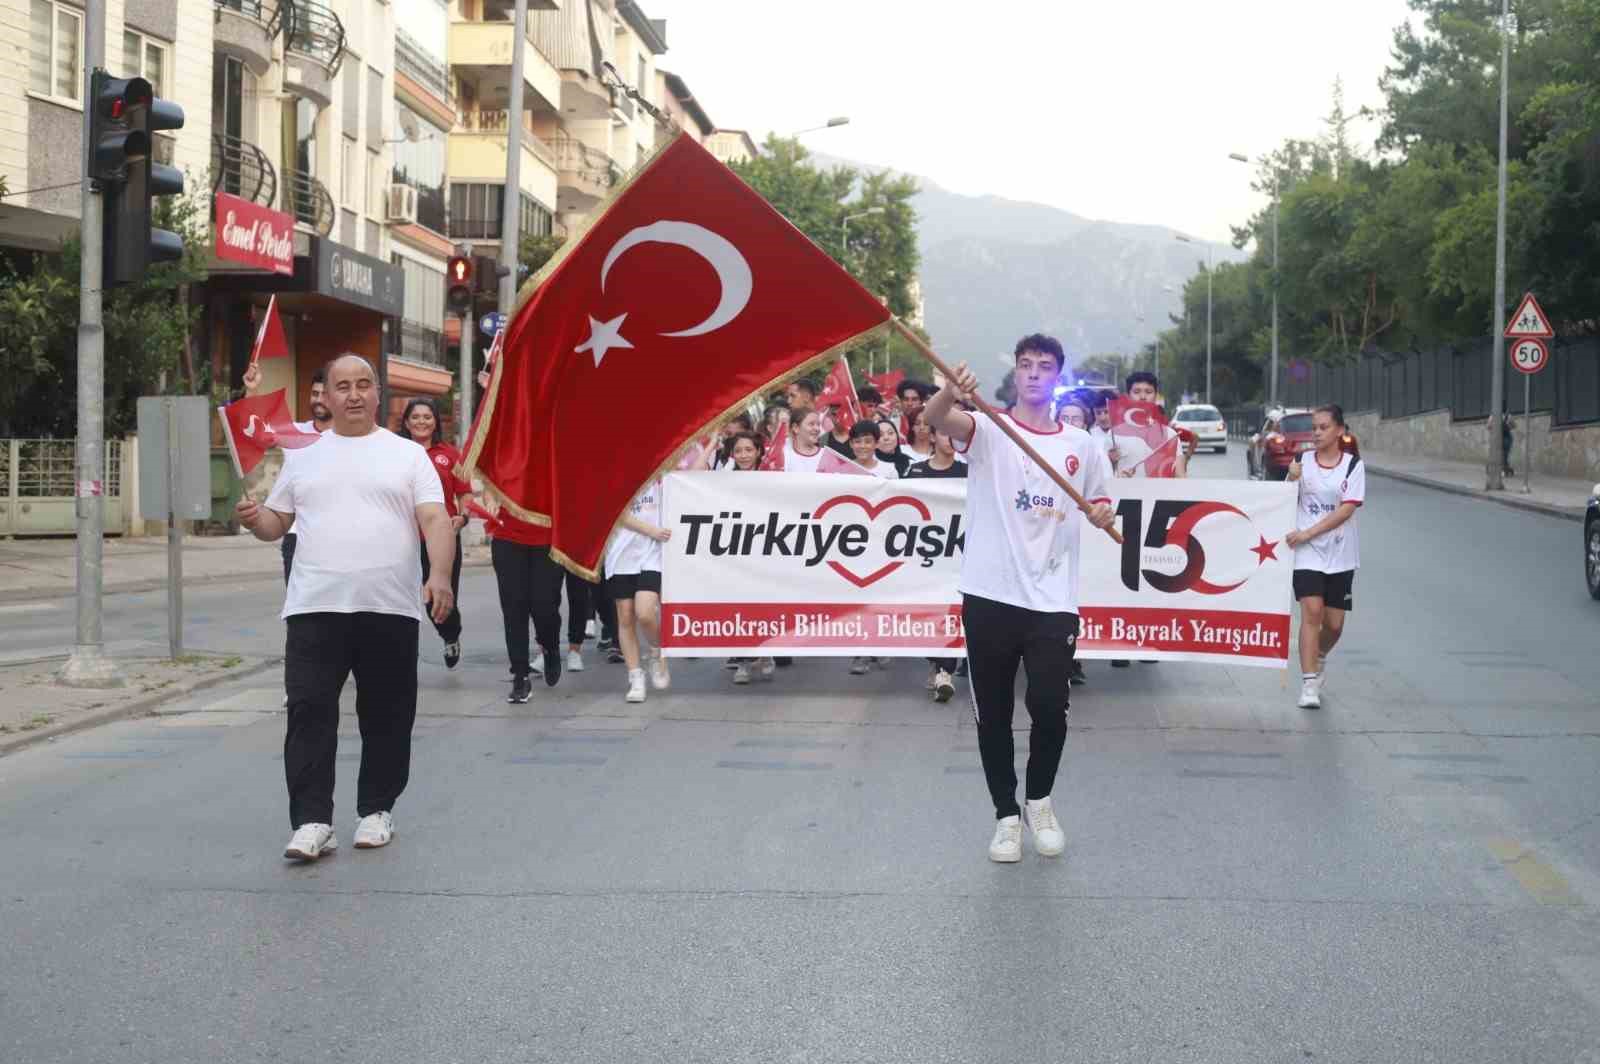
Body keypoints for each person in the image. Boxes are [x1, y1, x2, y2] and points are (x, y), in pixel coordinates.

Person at [235, 354, 455, 862]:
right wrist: (254, 517)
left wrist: (439, 574)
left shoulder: (406, 455)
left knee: (387, 714)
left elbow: (435, 519)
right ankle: (312, 821)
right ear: (326, 397)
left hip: (389, 608)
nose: (353, 394)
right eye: (342, 386)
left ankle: (376, 809)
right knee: (309, 710)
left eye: (363, 385)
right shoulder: (303, 455)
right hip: (314, 606)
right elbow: (276, 524)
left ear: (378, 394)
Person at [925, 334, 1115, 864]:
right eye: (1026, 365)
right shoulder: (989, 428)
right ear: (1015, 372)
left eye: (1045, 366)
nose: (1034, 373)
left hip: (1052, 597)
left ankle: (1040, 801)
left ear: (1058, 375)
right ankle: (1006, 816)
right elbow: (942, 420)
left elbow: (1102, 502)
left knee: (1051, 704)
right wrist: (949, 392)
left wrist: (1103, 514)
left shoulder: (1081, 445)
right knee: (994, 711)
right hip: (989, 592)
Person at [1285, 403, 1365, 710]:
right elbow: (1284, 499)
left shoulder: (1353, 465)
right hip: (1306, 553)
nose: (1317, 433)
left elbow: (1346, 509)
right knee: (1312, 612)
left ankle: (1319, 656)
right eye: (1314, 428)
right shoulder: (1301, 462)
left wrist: (1310, 532)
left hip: (1341, 553)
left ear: (1340, 431)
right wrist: (1291, 479)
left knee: (1333, 625)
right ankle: (1308, 683)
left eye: (1323, 427)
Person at [401, 397, 472, 669]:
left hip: (440, 539)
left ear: (435, 422)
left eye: (427, 417)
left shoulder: (450, 455)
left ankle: (450, 635)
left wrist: (462, 517)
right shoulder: (397, 453)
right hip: (404, 539)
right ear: (406, 422)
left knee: (439, 599)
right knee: (404, 597)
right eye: (415, 417)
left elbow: (465, 493)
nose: (421, 421)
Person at [243, 364, 331, 583]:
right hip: (297, 538)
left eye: (325, 394)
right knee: (299, 611)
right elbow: (253, 428)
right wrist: (252, 390)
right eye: (314, 394)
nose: (318, 399)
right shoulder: (294, 432)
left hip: (334, 540)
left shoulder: (350, 438)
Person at [905, 425, 968, 702]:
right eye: (945, 434)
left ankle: (945, 671)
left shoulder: (968, 473)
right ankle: (935, 660)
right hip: (925, 557)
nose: (951, 440)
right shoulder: (915, 472)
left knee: (953, 612)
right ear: (931, 437)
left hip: (959, 555)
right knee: (929, 612)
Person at [488, 504, 566, 703]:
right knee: (514, 607)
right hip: (508, 534)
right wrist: (491, 498)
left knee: (545, 605)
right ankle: (520, 676)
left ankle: (550, 646)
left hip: (548, 534)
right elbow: (490, 477)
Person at [606, 479, 672, 702]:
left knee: (645, 613)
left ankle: (656, 650)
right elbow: (615, 512)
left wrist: (712, 444)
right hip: (621, 552)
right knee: (625, 615)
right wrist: (651, 529)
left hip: (652, 551)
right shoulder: (614, 471)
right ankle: (635, 676)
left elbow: (694, 471)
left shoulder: (660, 470)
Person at [784, 408, 829, 472]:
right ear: (796, 428)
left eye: (818, 424)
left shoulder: (827, 455)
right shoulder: (784, 455)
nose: (817, 429)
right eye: (811, 424)